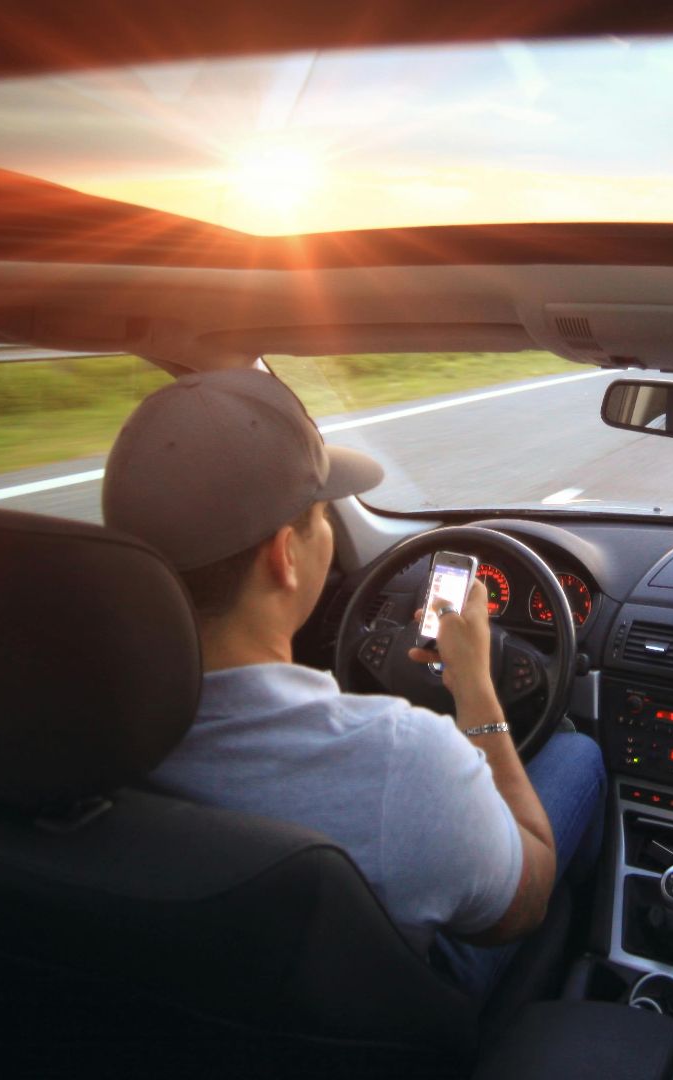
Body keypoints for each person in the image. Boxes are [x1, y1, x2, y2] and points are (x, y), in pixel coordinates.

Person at [101, 369, 606, 999]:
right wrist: (476, 686)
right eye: (322, 519)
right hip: (388, 1014)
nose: (332, 536)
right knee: (577, 755)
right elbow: (524, 898)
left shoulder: (57, 722)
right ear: (284, 556)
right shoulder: (401, 757)